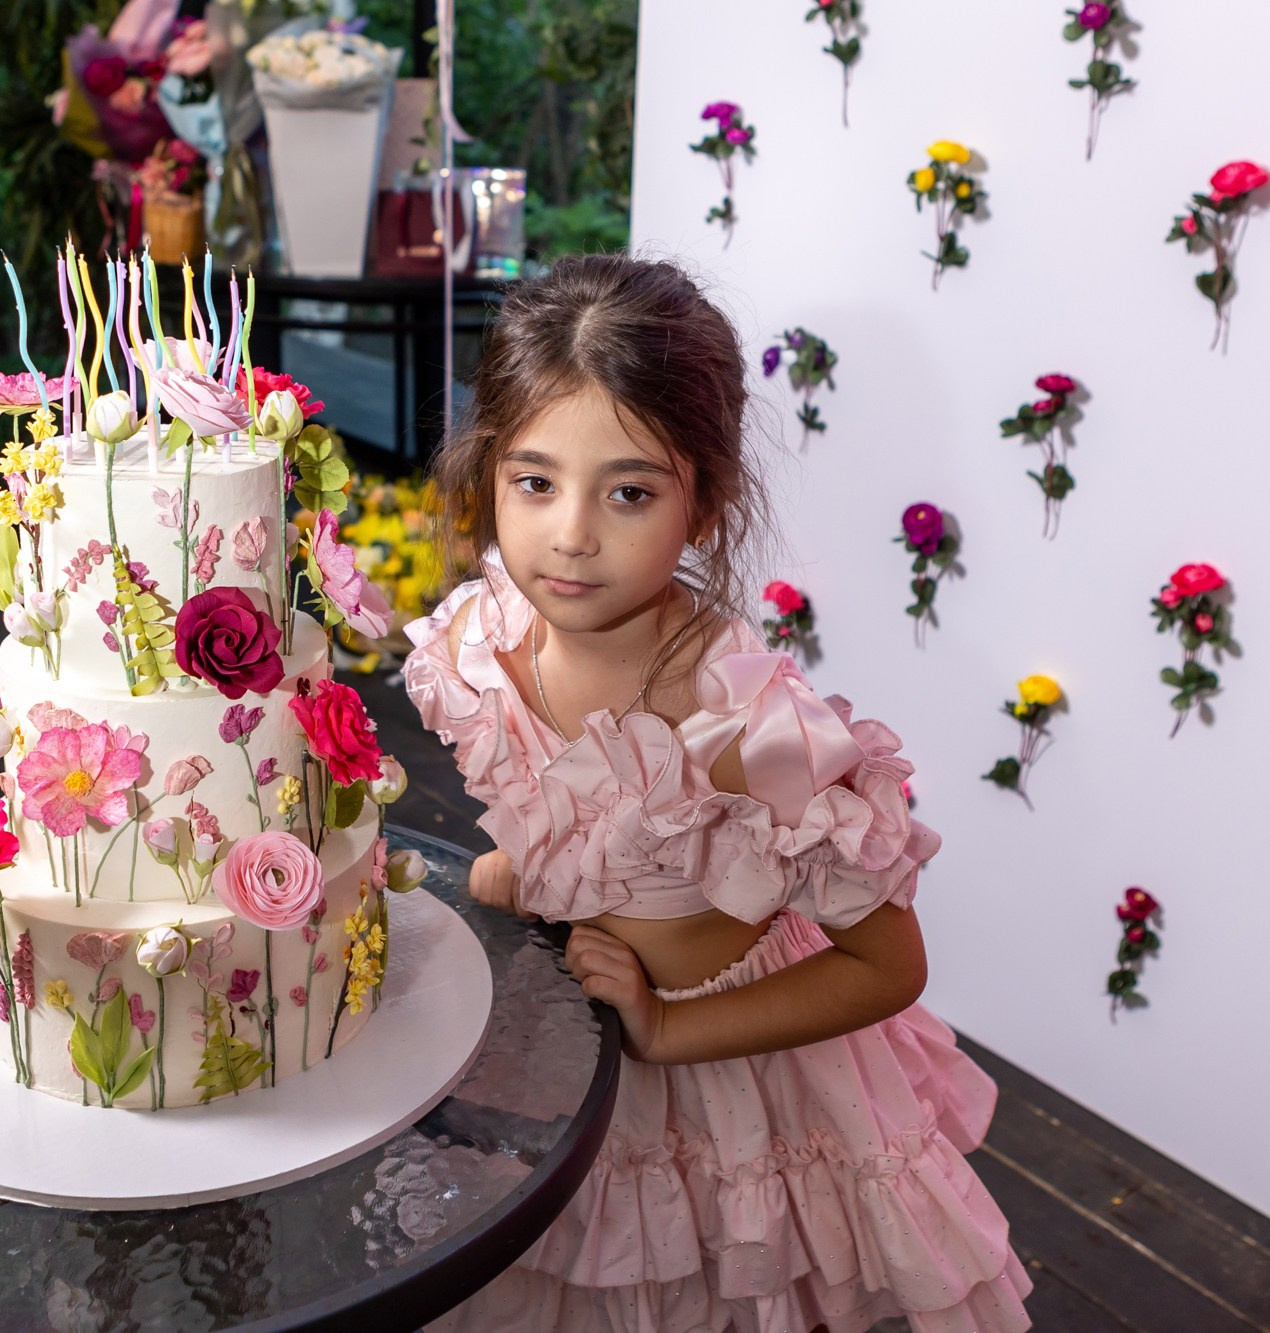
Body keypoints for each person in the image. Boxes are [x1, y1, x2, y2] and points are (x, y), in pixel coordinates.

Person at [402, 254, 1032, 1332]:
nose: (571, 533)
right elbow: (569, 824)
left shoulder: (749, 723)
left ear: (705, 505)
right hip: (563, 1037)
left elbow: (887, 964)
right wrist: (522, 872)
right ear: (489, 475)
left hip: (723, 1073)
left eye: (630, 491)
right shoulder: (479, 639)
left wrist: (662, 1026)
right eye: (535, 481)